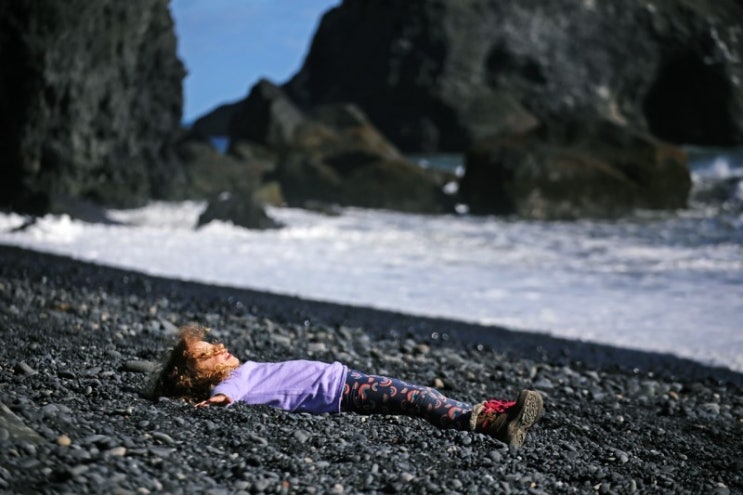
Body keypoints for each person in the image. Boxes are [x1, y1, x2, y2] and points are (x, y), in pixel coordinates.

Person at [150, 324, 544, 447]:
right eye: (209, 354)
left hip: (342, 385)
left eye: (215, 344)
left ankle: (493, 416)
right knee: (416, 398)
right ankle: (486, 422)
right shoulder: (239, 376)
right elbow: (232, 389)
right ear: (201, 374)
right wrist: (218, 399)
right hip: (340, 389)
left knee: (418, 397)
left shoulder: (244, 371)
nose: (221, 349)